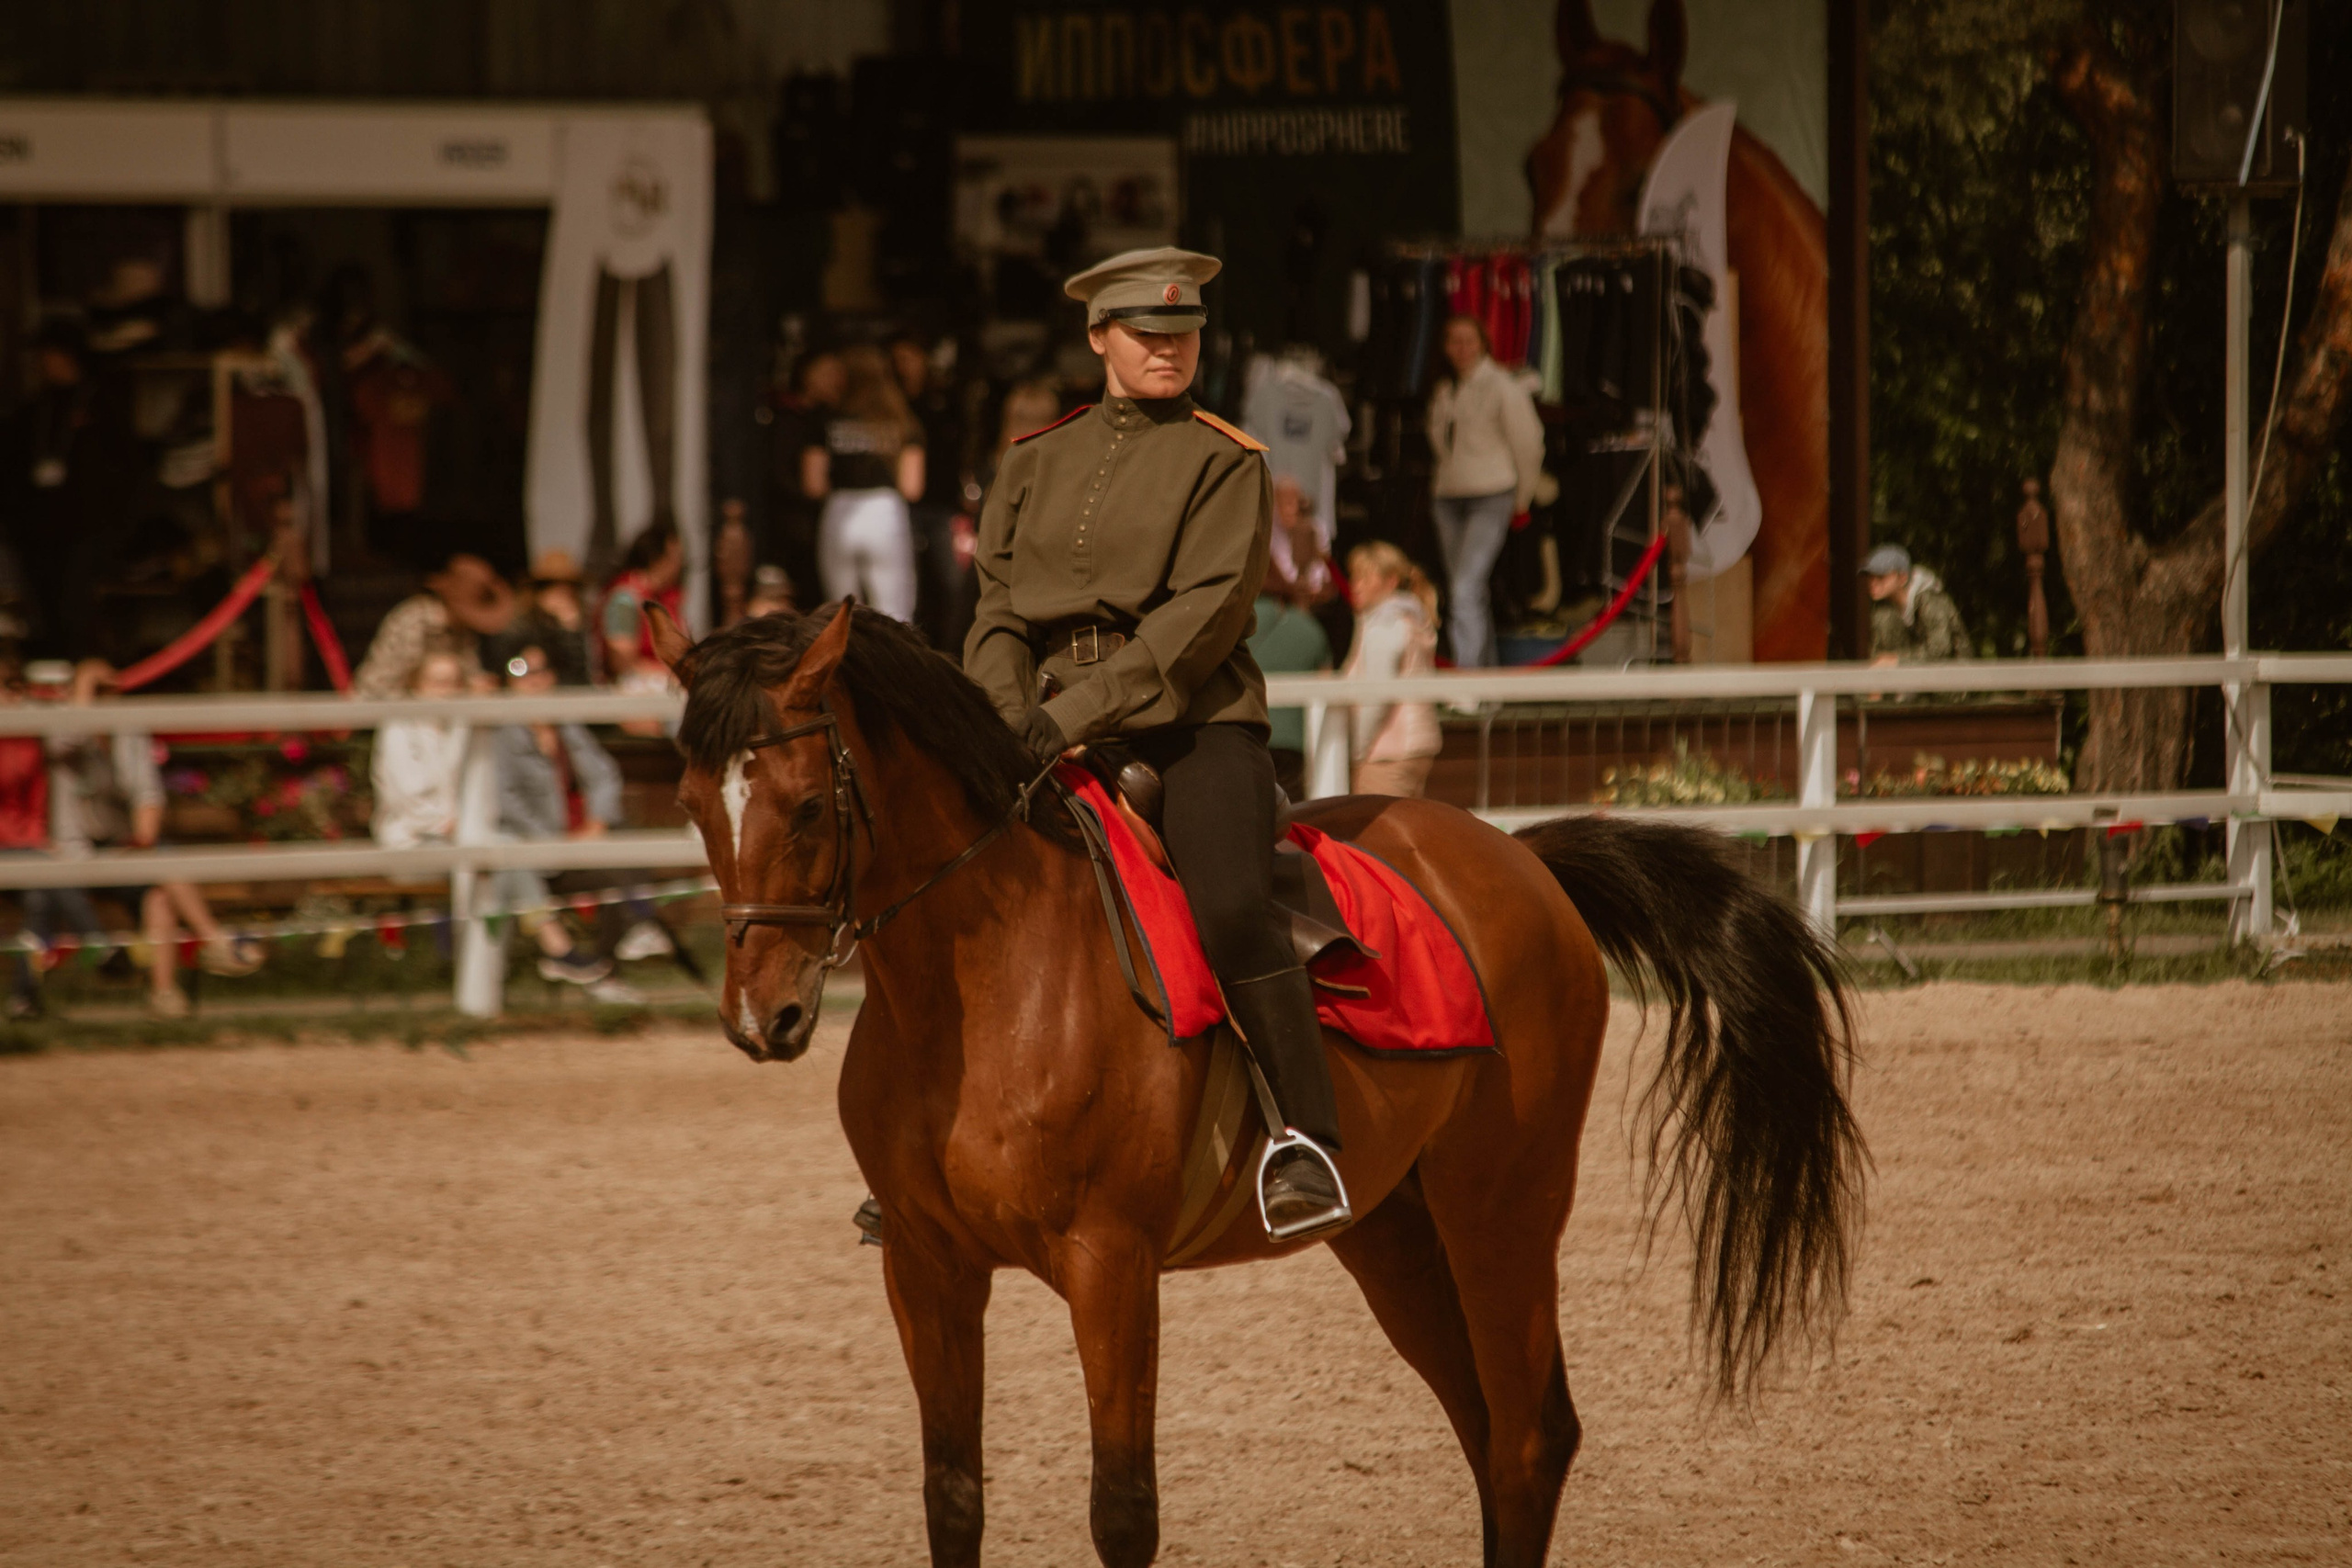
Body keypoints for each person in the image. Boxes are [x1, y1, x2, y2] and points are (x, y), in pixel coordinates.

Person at [965, 244, 1349, 1239]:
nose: (1167, 350)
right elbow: (998, 606)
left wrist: (1066, 717)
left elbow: (1207, 614)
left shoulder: (1227, 459)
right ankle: (931, 1140)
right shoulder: (1030, 459)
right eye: (1146, 335)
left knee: (1228, 902)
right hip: (1036, 714)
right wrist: (1001, 718)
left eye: (1182, 335)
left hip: (1192, 722)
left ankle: (1306, 1137)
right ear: (1099, 339)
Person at [48, 660, 264, 1017]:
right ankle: (215, 941)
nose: (106, 698)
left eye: (109, 689)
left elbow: (147, 794)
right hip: (73, 854)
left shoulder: (127, 730)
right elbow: (74, 732)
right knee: (164, 863)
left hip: (119, 853)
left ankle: (164, 995)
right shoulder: (58, 727)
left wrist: (143, 839)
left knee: (161, 894)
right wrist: (86, 677)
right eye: (97, 692)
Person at [489, 642, 637, 999]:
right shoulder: (500, 732)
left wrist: (598, 821)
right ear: (507, 680)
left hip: (577, 840)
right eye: (521, 671)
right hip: (534, 850)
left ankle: (603, 969)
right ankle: (591, 963)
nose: (533, 680)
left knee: (626, 867)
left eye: (540, 671)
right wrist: (555, 844)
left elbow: (605, 776)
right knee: (617, 876)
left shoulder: (566, 724)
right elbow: (505, 802)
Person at [1426, 314, 1544, 668]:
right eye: (1454, 341)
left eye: (1468, 341)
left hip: (1492, 495)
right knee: (1467, 593)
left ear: (1483, 344)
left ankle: (1469, 685)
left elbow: (1530, 445)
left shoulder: (1504, 387)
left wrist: (1522, 497)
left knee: (1464, 590)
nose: (1461, 349)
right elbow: (1440, 443)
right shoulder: (1446, 390)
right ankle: (1484, 682)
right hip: (1447, 496)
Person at [807, 344, 925, 622]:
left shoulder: (826, 420)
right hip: (885, 512)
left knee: (840, 617)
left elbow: (813, 484)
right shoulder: (902, 422)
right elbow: (912, 487)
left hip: (839, 511)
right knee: (896, 614)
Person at [890, 333, 978, 652]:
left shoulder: (945, 400)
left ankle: (956, 651)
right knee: (906, 588)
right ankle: (914, 654)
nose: (903, 367)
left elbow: (963, 449)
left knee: (955, 584)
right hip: (901, 508)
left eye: (908, 358)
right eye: (897, 360)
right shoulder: (892, 403)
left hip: (944, 506)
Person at [1340, 543, 1443, 798]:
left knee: (1372, 837)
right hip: (1416, 746)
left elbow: (1377, 696)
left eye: (1365, 578)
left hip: (1387, 752)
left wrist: (1356, 750)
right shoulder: (1409, 617)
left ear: (1391, 581)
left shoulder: (1384, 625)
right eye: (1354, 577)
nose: (1357, 585)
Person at [352, 552, 514, 699]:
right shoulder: (414, 621)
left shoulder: (463, 631)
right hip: (390, 711)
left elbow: (468, 670)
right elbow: (386, 684)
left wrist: (476, 685)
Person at [1247, 555, 1333, 803]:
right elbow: (1326, 678)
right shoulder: (1308, 627)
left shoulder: (1234, 623)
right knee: (1292, 821)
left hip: (1248, 738)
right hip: (1294, 744)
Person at [370, 644, 469, 850]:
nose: (447, 691)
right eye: (439, 683)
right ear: (417, 685)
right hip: (413, 836)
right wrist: (445, 824)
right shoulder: (399, 727)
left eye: (454, 683)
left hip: (460, 833)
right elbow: (407, 795)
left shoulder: (461, 726)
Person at [1864, 543, 1974, 665]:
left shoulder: (1931, 601)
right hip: (1913, 677)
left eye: (1880, 576)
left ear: (1902, 578)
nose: (1872, 582)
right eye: (1869, 577)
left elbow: (1941, 650)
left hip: (1955, 676)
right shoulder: (1884, 611)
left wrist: (1897, 660)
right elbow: (1879, 656)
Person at [515, 548, 595, 687]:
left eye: (568, 586)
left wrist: (571, 628)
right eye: (551, 585)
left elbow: (581, 673)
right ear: (538, 591)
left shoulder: (586, 624)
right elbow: (512, 666)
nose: (561, 593)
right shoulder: (523, 627)